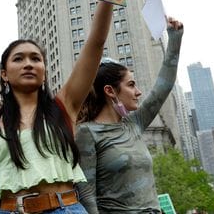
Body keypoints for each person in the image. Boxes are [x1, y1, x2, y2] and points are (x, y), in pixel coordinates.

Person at [0, 0, 125, 214]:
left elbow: (95, 44)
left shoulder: (64, 105)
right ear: (4, 74)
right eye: (18, 59)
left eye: (36, 59)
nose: (28, 64)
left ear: (44, 72)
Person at [75, 16, 184, 213]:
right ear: (110, 91)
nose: (138, 92)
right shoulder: (86, 133)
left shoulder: (134, 124)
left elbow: (163, 87)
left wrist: (175, 38)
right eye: (131, 85)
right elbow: (86, 196)